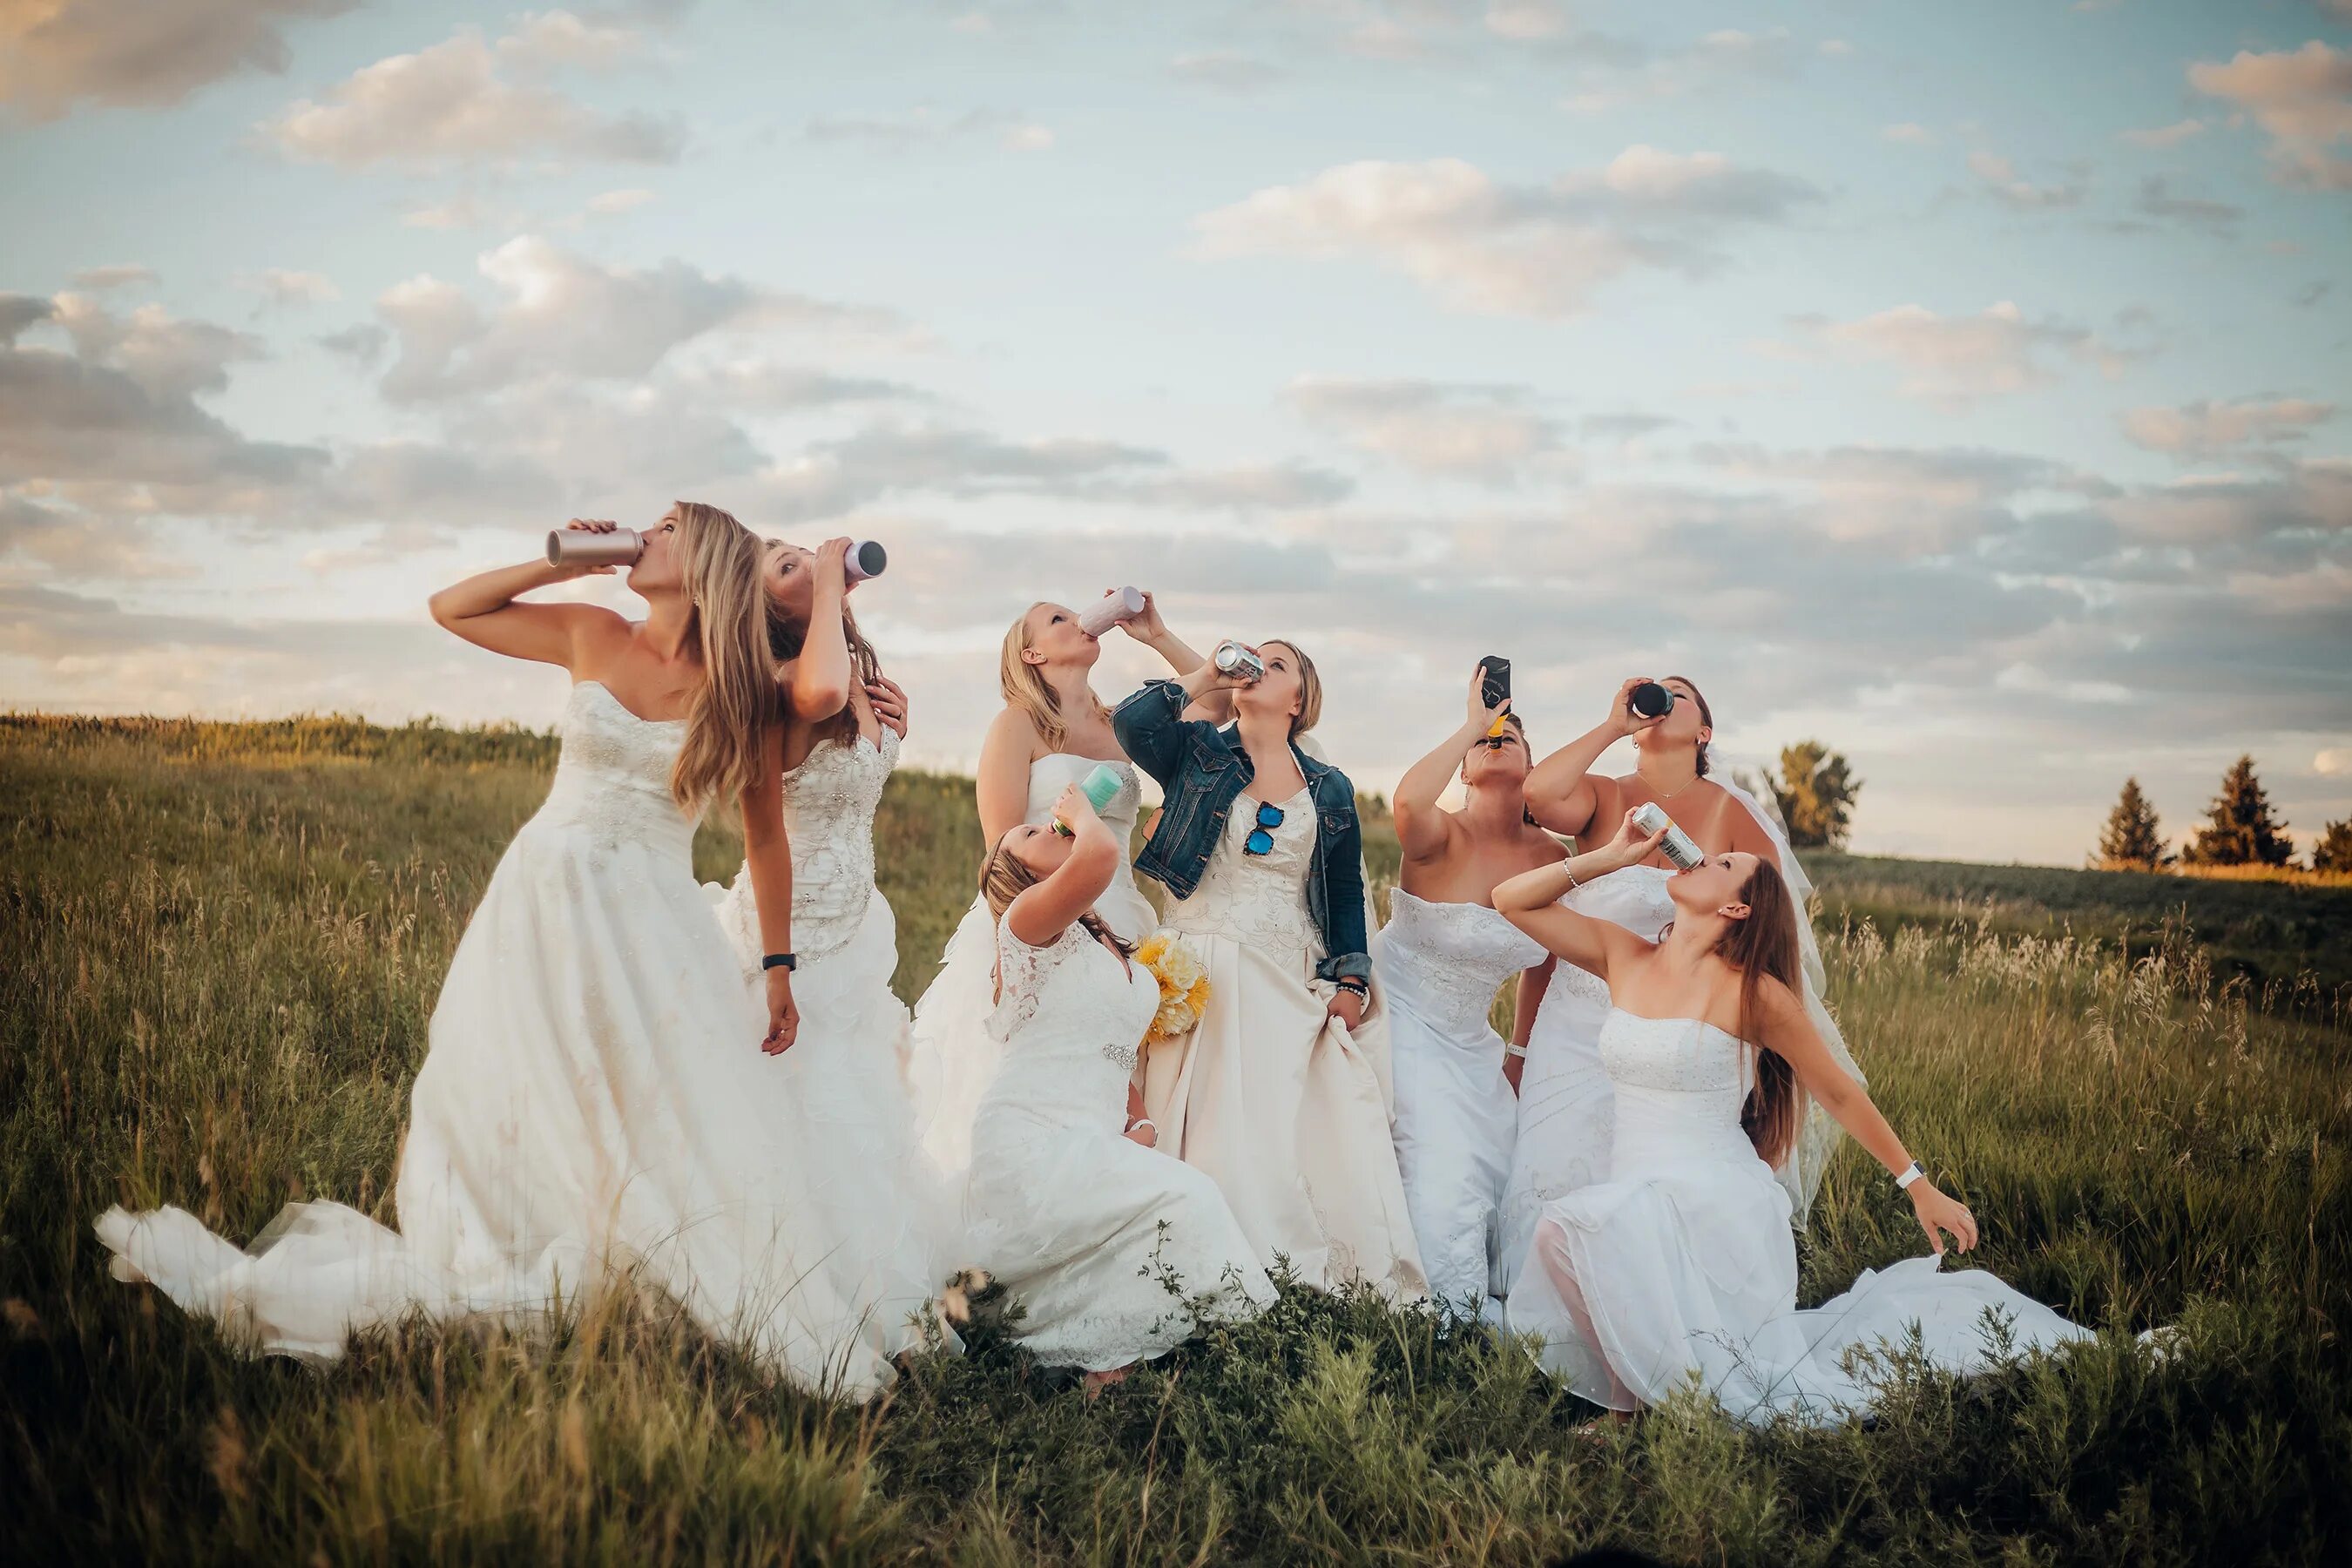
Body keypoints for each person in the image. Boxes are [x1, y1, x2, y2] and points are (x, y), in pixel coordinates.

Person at [98, 506, 921, 1394]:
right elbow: (454, 608)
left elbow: (767, 840)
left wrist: (777, 968)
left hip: (649, 915)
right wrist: (553, 565)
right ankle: (511, 1238)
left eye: (666, 529)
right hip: (540, 898)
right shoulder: (594, 631)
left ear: (710, 564)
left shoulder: (741, 689)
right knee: (509, 1083)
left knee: (639, 1101)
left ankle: (614, 1257)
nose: (644, 534)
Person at [1495, 819, 2098, 1427]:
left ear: (1735, 907)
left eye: (1724, 864)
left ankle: (1634, 1415)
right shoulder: (1624, 955)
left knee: (1559, 1232)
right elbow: (1511, 900)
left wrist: (1917, 1183)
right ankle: (1639, 1406)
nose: (1703, 858)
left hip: (1710, 1194)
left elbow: (1836, 1091)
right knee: (1573, 1248)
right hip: (1639, 1183)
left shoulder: (1754, 995)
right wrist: (1609, 856)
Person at [1494, 676, 1863, 1301]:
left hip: (1667, 1034)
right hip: (1575, 1025)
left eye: (1678, 696)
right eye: (1653, 694)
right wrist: (1614, 725)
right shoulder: (1606, 796)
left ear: (1704, 732)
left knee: (1638, 1184)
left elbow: (1763, 927)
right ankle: (1544, 1320)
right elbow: (1539, 792)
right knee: (1552, 1164)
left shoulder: (1731, 814)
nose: (1661, 701)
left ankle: (1640, 1316)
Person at [702, 534, 956, 1376]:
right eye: (786, 568)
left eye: (805, 559)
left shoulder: (852, 688)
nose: (808, 564)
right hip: (791, 928)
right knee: (792, 1105)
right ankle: (780, 1292)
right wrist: (779, 968)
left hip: (854, 922)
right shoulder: (783, 693)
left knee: (853, 1108)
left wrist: (892, 730)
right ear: (771, 612)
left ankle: (867, 1286)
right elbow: (768, 840)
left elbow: (853, 779)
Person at [1113, 640, 1425, 1298]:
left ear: (1300, 699)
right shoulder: (1198, 752)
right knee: (1204, 1129)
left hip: (1286, 972)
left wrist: (1350, 981)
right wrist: (1208, 677)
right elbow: (1134, 722)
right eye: (1251, 657)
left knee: (1278, 1130)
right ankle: (1189, 1271)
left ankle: (1282, 1272)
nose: (1258, 666)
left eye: (1275, 664)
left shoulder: (1329, 786)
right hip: (1201, 966)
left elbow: (1343, 890)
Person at [963, 781, 1274, 1390]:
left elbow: (1111, 1043)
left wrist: (1136, 1117)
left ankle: (1102, 1368)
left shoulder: (1096, 933)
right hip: (1031, 1138)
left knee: (1157, 1218)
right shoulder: (1026, 925)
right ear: (1016, 878)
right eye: (1030, 835)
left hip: (1093, 1133)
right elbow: (1101, 856)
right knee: (1190, 1200)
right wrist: (1078, 811)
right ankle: (1104, 1359)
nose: (1044, 828)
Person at [905, 592, 1220, 1174]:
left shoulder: (1125, 723)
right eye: (1056, 619)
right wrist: (1043, 934)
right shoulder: (1016, 725)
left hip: (1124, 920)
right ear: (1031, 653)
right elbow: (1003, 850)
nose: (1077, 619)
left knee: (1122, 1077)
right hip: (1043, 921)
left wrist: (1154, 633)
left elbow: (1218, 703)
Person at [1379, 669, 1563, 1316]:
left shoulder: (1551, 858)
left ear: (1532, 768)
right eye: (1485, 735)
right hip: (1394, 1011)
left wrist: (1517, 1053)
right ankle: (1433, 1311)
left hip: (1472, 1042)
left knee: (1511, 1156)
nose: (1496, 736)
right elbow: (1405, 804)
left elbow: (1547, 963)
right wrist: (1470, 720)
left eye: (1510, 732)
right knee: (1446, 1170)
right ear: (1462, 767)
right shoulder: (1438, 835)